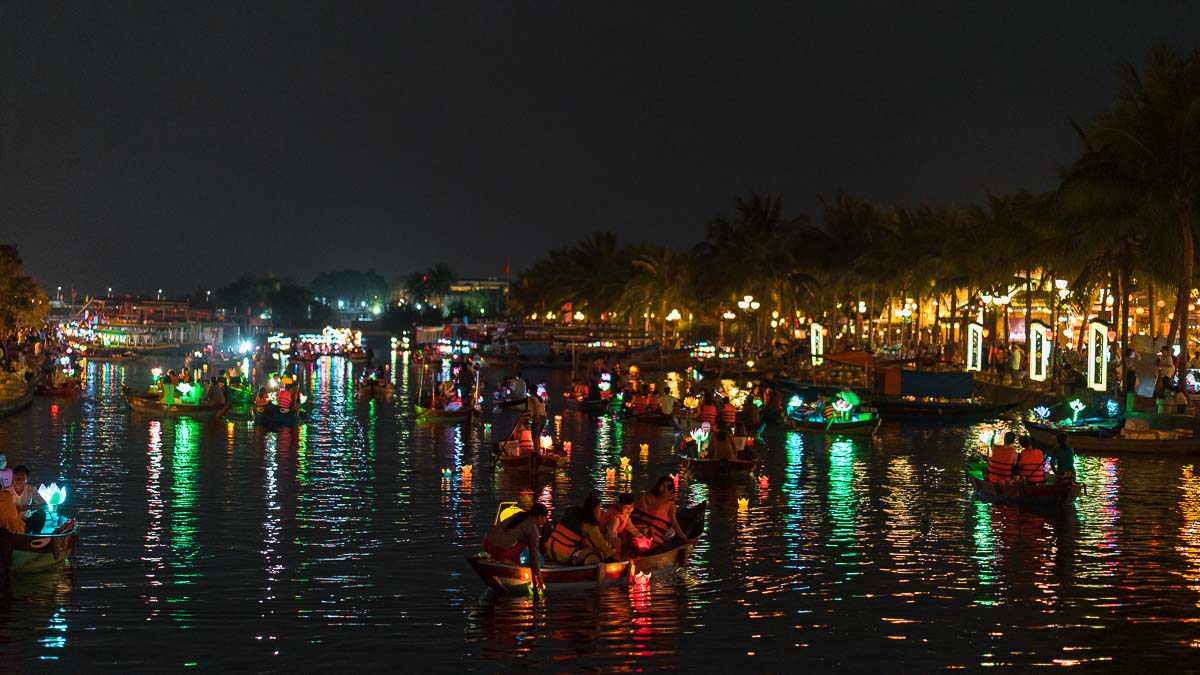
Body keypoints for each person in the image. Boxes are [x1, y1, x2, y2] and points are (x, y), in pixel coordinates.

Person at [482, 503, 549, 590]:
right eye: (545, 518)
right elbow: (534, 555)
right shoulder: (532, 528)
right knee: (526, 542)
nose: (545, 521)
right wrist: (539, 578)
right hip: (498, 550)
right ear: (540, 516)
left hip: (486, 542)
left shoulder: (519, 515)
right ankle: (503, 560)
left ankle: (513, 563)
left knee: (518, 540)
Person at [546, 495, 622, 565]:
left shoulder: (575, 518)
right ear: (594, 509)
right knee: (596, 556)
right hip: (563, 556)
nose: (601, 512)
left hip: (550, 551)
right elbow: (600, 543)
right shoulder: (588, 525)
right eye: (599, 508)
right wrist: (614, 553)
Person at [632, 475, 694, 547]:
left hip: (656, 534)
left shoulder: (670, 505)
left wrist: (684, 538)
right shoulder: (647, 496)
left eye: (668, 487)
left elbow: (675, 523)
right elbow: (649, 509)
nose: (665, 489)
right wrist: (663, 499)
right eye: (663, 486)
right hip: (639, 528)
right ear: (658, 485)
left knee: (671, 533)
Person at [4, 465, 47, 535]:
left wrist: (29, 507)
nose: (18, 481)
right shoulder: (6, 491)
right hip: (11, 524)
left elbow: (45, 506)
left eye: (22, 478)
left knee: (41, 514)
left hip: (26, 523)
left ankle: (35, 536)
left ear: (27, 479)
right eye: (16, 478)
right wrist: (14, 510)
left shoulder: (31, 489)